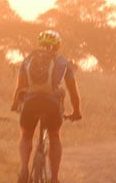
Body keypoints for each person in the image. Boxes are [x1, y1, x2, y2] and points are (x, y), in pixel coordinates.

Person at [11, 30, 82, 183]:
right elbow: (73, 91)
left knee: (26, 135)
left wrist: (15, 105)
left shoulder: (28, 60)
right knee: (54, 136)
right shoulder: (63, 62)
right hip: (52, 105)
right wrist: (76, 111)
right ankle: (54, 178)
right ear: (58, 46)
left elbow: (20, 87)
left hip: (30, 103)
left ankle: (24, 169)